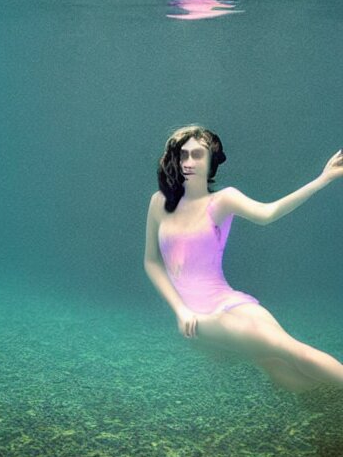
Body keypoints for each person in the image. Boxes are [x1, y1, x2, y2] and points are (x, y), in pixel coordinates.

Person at [144, 124, 343, 393]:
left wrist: (323, 179)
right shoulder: (159, 203)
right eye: (183, 155)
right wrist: (181, 310)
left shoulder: (223, 200)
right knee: (277, 358)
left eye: (197, 155)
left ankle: (326, 399)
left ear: (211, 160)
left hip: (230, 301)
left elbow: (268, 213)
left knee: (288, 355)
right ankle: (325, 398)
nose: (188, 162)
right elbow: (152, 262)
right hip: (200, 319)